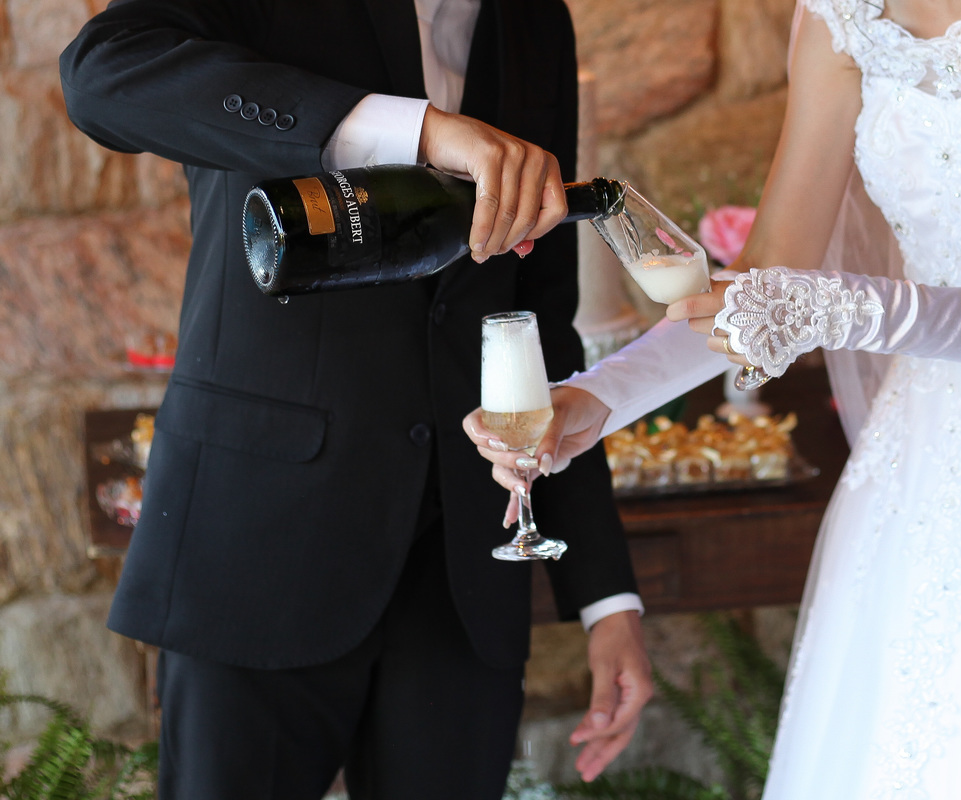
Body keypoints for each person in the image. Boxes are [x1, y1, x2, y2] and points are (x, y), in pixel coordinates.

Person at [464, 0, 961, 794]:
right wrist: (595, 400)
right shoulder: (842, 16)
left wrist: (852, 309)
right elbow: (762, 284)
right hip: (932, 461)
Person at [59, 1, 652, 798]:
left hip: (461, 578)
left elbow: (541, 324)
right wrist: (423, 133)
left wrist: (608, 600)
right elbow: (102, 73)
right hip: (257, 546)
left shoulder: (535, 18)